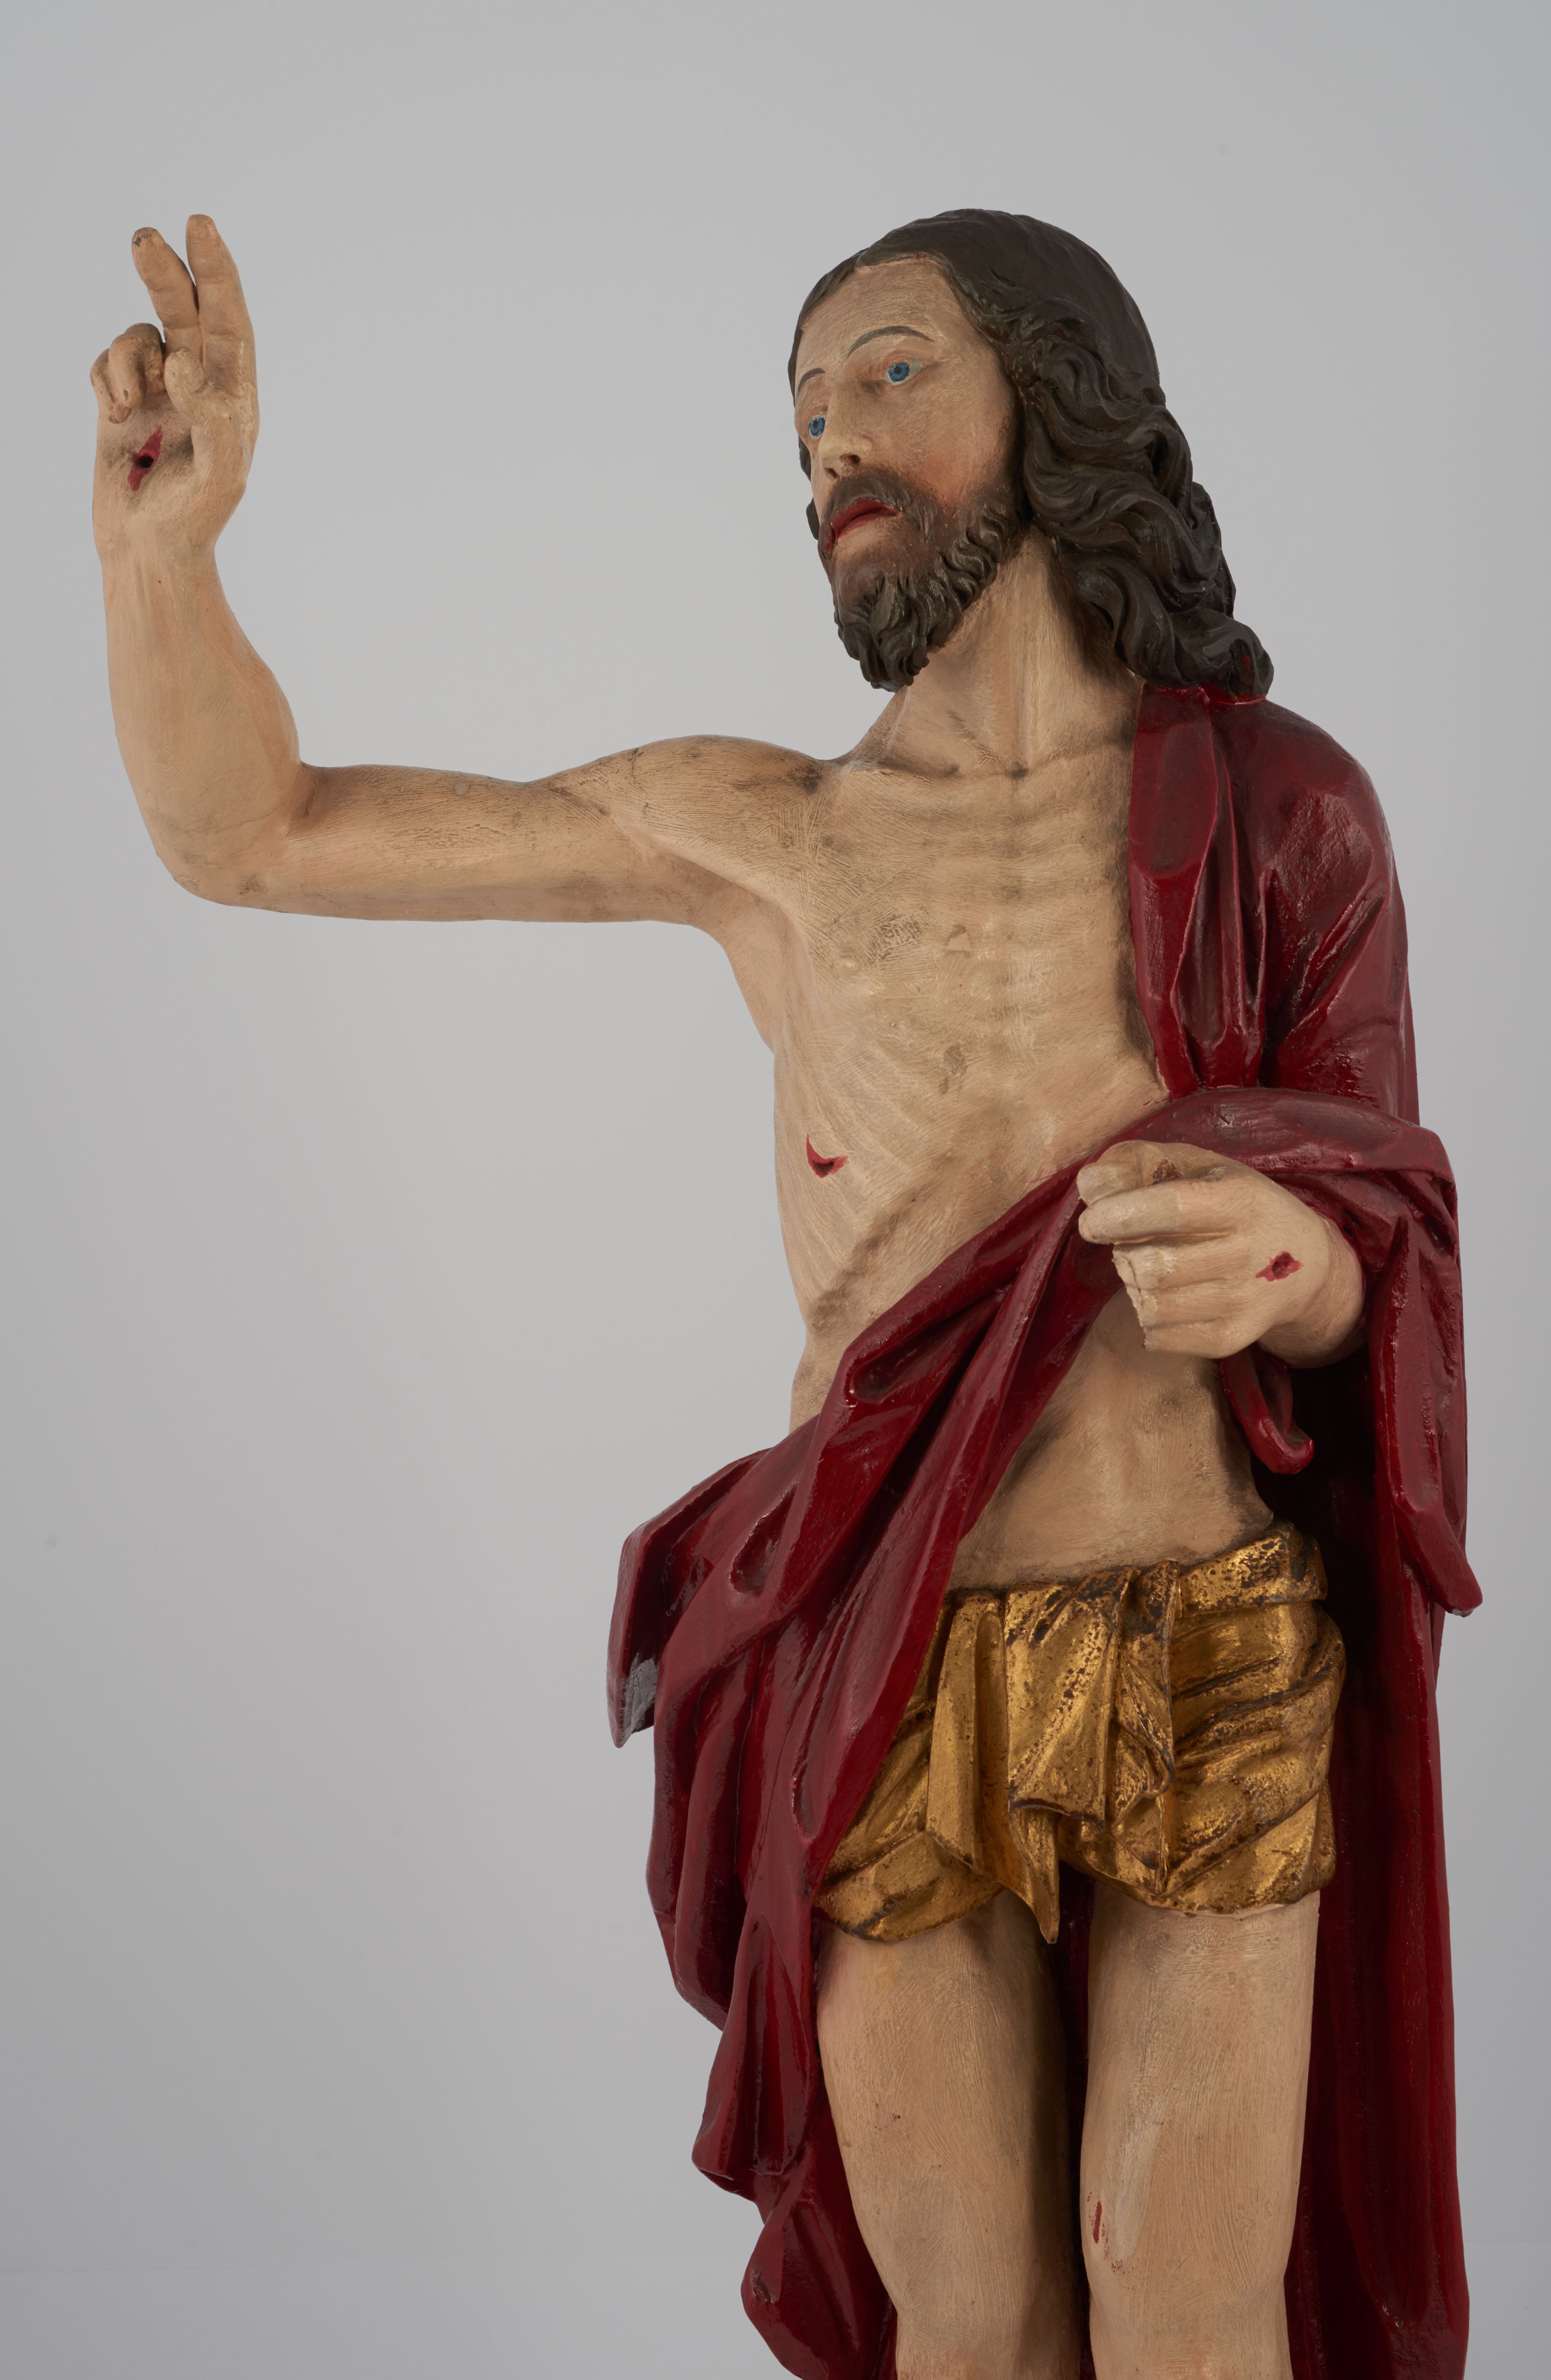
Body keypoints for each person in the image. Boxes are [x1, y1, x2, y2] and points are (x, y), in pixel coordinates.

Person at [91, 207, 1474, 2380]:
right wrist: (167, 560)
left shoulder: (1281, 808)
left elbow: (1389, 1216)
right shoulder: (772, 833)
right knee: (966, 2315)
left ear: (1056, 397)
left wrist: (1299, 1262)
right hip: (879, 1637)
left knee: (1188, 2292)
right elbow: (253, 832)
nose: (832, 439)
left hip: (1204, 1624)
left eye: (890, 373)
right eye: (806, 410)